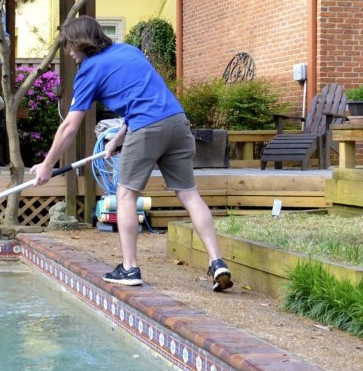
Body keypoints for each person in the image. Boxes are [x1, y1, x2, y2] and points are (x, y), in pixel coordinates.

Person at [32, 15, 232, 291]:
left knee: (126, 194)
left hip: (146, 128)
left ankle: (129, 268)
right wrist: (117, 138)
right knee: (189, 193)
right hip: (177, 122)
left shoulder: (89, 70)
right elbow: (143, 96)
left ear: (80, 43)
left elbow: (69, 126)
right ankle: (217, 261)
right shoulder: (129, 51)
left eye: (68, 45)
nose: (67, 51)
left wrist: (47, 164)